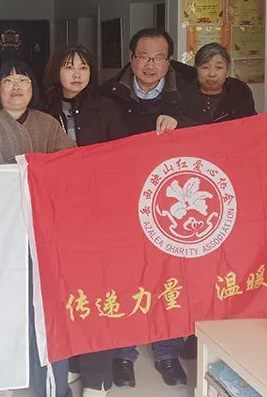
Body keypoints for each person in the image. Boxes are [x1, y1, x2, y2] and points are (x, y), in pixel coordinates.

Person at [0, 61, 74, 397]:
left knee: (46, 311)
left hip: (43, 231)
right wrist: (39, 169)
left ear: (33, 87)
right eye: (8, 80)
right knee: (0, 307)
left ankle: (53, 387)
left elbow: (68, 166)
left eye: (23, 80)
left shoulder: (47, 123)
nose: (15, 87)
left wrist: (30, 171)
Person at [99, 28, 194, 388]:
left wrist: (180, 125)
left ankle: (168, 352)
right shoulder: (108, 93)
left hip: (171, 202)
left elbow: (212, 133)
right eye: (143, 57)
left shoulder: (189, 91)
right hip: (122, 199)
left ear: (169, 62)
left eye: (158, 58)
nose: (150, 65)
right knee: (126, 276)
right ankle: (123, 353)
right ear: (131, 59)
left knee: (171, 275)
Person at [41, 45, 124, 396]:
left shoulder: (106, 108)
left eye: (84, 67)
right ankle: (73, 364)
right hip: (53, 216)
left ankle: (97, 378)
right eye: (69, 66)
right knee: (63, 294)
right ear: (55, 71)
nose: (77, 73)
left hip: (97, 216)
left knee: (97, 294)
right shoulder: (40, 109)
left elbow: (123, 159)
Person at [182, 42, 257, 124]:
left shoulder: (241, 91)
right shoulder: (182, 94)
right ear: (195, 69)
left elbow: (252, 124)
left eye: (219, 67)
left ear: (227, 71)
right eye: (205, 67)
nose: (212, 74)